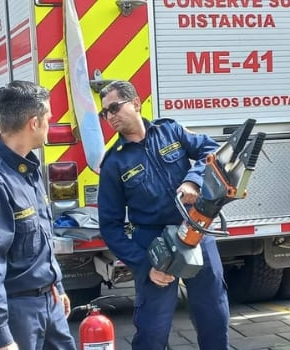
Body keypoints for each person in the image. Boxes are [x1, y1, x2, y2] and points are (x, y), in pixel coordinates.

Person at [97, 80, 229, 350]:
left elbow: (212, 150)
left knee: (213, 314)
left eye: (114, 108)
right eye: (105, 113)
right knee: (152, 329)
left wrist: (194, 180)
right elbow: (110, 227)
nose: (110, 117)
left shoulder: (170, 131)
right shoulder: (114, 162)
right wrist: (145, 265)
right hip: (154, 245)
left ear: (136, 103)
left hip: (194, 229)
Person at [0, 81, 76, 350]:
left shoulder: (27, 168)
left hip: (49, 304)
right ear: (33, 123)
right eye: (48, 117)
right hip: (15, 313)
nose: (51, 122)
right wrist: (0, 335)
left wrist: (58, 286)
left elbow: (42, 239)